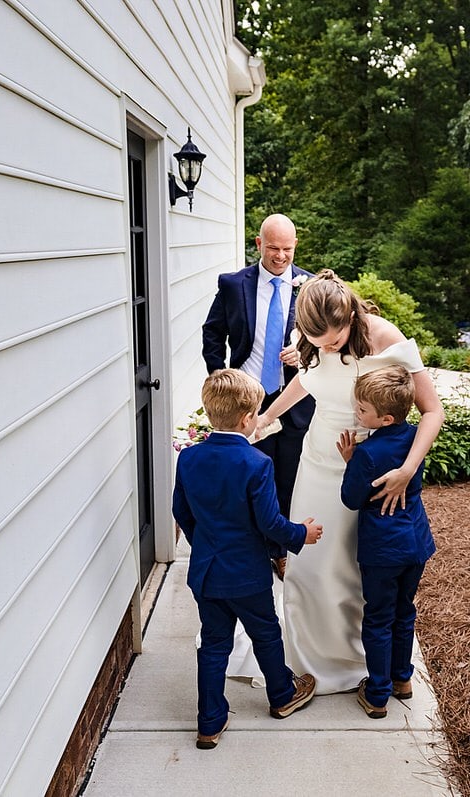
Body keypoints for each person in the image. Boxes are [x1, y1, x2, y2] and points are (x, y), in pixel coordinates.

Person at [248, 270, 444, 694]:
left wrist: (408, 468)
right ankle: (306, 652)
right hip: (316, 463)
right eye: (316, 342)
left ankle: (367, 658)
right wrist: (267, 417)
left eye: (333, 340)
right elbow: (307, 379)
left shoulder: (383, 335)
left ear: (350, 316)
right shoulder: (314, 338)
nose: (326, 347)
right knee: (310, 563)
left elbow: (433, 411)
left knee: (354, 567)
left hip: (365, 469)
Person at [173, 369, 322, 750]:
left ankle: (209, 722)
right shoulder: (257, 464)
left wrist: (206, 545)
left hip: (207, 573)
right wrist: (301, 534)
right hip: (247, 575)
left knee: (214, 643)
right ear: (247, 420)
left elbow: (183, 514)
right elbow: (271, 524)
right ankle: (282, 696)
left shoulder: (189, 459)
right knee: (266, 634)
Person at [201, 213, 316, 527]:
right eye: (273, 248)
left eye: (287, 249)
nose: (280, 256)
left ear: (295, 246)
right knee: (252, 477)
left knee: (290, 478)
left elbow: (330, 339)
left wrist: (306, 349)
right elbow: (212, 332)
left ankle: (283, 548)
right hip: (248, 402)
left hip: (296, 400)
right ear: (259, 244)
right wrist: (220, 379)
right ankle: (258, 543)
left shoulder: (312, 286)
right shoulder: (233, 284)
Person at [337, 366, 435, 718]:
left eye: (362, 410)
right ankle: (402, 679)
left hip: (383, 549)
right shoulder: (414, 439)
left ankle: (377, 695)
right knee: (404, 610)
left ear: (385, 417)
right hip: (416, 542)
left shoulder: (367, 453)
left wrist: (350, 462)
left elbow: (352, 498)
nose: (356, 414)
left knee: (378, 617)